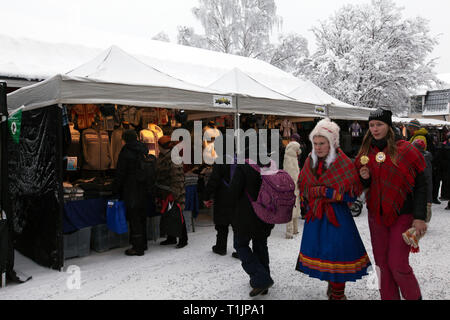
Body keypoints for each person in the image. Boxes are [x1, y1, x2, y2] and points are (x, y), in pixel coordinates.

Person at [356, 108, 427, 300]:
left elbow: (421, 184)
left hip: (402, 214)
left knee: (397, 263)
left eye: (379, 124)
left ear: (389, 125)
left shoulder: (406, 149)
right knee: (381, 265)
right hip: (376, 215)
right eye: (371, 125)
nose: (375, 129)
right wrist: (365, 179)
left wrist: (420, 217)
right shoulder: (365, 151)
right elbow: (363, 184)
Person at [296, 118, 371, 300]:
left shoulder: (343, 163)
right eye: (315, 143)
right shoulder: (310, 161)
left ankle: (338, 294)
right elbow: (303, 186)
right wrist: (319, 191)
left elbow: (352, 193)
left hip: (337, 217)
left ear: (332, 142)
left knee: (338, 256)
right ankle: (332, 285)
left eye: (322, 143)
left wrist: (331, 194)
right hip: (317, 216)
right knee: (325, 255)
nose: (318, 147)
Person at [227, 139, 275, 297]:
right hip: (266, 214)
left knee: (240, 245)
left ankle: (261, 278)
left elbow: (233, 192)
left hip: (245, 216)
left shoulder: (243, 167)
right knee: (261, 245)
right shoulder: (270, 166)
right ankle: (264, 279)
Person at [112, 130, 150, 256]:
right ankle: (143, 243)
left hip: (131, 188)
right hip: (144, 188)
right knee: (142, 217)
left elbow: (121, 173)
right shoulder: (143, 150)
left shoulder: (126, 152)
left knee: (134, 218)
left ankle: (137, 248)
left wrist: (115, 189)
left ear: (125, 139)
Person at [202, 149, 238, 258]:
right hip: (237, 195)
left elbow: (214, 180)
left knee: (222, 224)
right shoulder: (240, 159)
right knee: (237, 224)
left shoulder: (221, 160)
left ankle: (221, 247)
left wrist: (206, 196)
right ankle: (240, 249)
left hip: (223, 196)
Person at [156, 136, 188, 249]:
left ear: (161, 146)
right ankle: (171, 237)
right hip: (165, 191)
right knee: (168, 215)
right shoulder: (161, 156)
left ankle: (183, 239)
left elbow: (177, 177)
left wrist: (175, 194)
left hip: (174, 192)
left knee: (178, 216)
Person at [283, 136, 301, 239]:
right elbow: (292, 173)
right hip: (293, 185)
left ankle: (294, 229)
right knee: (292, 205)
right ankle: (290, 231)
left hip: (291, 185)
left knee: (293, 205)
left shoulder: (289, 156)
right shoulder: (291, 158)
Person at [412, 139, 433, 222]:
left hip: (422, 189)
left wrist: (429, 199)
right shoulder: (422, 158)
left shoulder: (422, 160)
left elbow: (426, 179)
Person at [437, 132, 450, 209]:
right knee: (446, 183)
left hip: (446, 168)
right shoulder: (443, 146)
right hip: (446, 168)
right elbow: (440, 158)